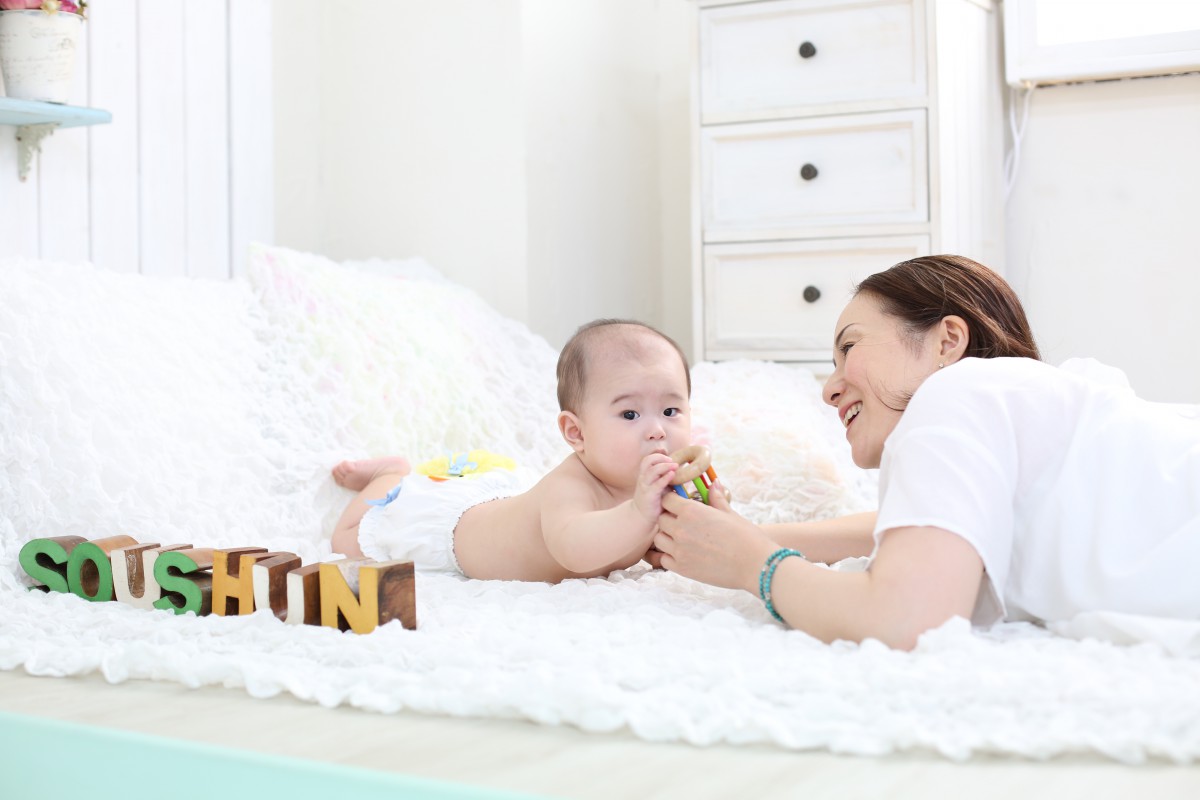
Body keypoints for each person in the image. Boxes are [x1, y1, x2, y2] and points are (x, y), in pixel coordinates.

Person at [652, 254, 1200, 649]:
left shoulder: (955, 392)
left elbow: (906, 618)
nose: (829, 387)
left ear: (946, 341)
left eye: (850, 348)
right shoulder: (1026, 413)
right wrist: (743, 534)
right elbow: (927, 525)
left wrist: (753, 564)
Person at [330, 319, 694, 582]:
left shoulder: (657, 488)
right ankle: (388, 475)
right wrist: (638, 514)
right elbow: (575, 551)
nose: (657, 430)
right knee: (347, 540)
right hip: (450, 533)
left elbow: (656, 545)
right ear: (576, 432)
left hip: (502, 506)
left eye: (670, 411)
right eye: (630, 414)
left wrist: (679, 531)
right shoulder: (571, 486)